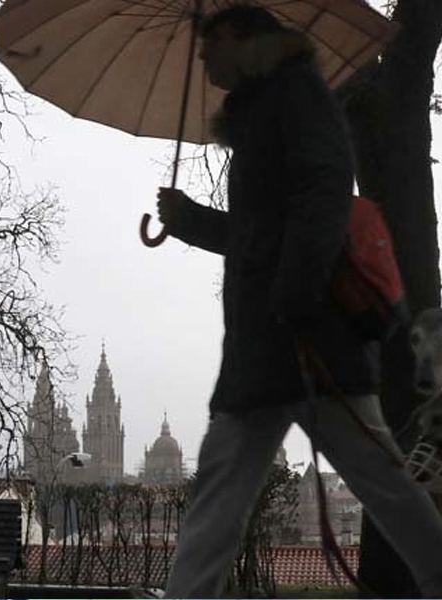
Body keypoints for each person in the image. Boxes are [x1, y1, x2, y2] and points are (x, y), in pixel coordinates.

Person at [156, 5, 442, 599]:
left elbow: (322, 198)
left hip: (305, 336)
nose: (202, 58)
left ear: (240, 38)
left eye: (209, 45)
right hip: (277, 342)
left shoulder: (296, 101)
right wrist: (189, 221)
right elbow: (265, 232)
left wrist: (294, 293)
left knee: (378, 486)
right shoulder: (273, 111)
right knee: (229, 494)